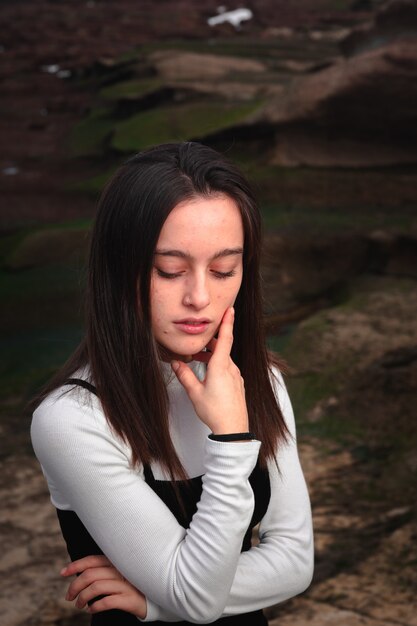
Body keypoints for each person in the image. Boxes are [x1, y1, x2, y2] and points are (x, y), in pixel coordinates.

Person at [31, 142, 314, 625]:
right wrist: (230, 439)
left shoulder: (259, 380)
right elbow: (198, 601)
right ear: (120, 270)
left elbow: (294, 561)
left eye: (225, 269)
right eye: (170, 270)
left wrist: (156, 600)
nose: (200, 297)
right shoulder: (71, 419)